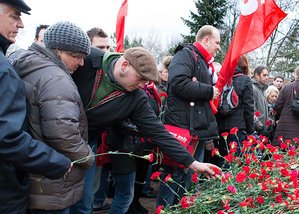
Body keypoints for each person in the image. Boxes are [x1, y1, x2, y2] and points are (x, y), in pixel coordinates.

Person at [71, 46, 219, 214]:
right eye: (141, 78)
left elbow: (158, 132)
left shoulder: (136, 97)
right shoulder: (89, 60)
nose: (143, 85)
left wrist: (193, 163)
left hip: (87, 141)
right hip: (54, 135)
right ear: (125, 65)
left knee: (82, 201)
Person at [11, 21, 94, 214]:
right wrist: (88, 157)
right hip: (50, 182)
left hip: (30, 175)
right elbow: (62, 133)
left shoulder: (29, 65)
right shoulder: (56, 79)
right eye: (77, 56)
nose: (81, 63)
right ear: (59, 52)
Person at [0, 1, 72, 213]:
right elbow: (6, 137)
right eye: (14, 16)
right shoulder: (3, 70)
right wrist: (56, 162)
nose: (21, 24)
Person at [157, 25, 221, 207]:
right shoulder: (185, 55)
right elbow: (177, 83)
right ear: (206, 40)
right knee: (174, 178)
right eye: (216, 43)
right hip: (184, 129)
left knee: (188, 180)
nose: (218, 47)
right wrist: (210, 91)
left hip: (196, 130)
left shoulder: (202, 61)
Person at [86, 27, 113, 213]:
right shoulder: (77, 73)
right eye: (99, 47)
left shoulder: (112, 75)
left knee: (91, 190)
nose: (104, 53)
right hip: (75, 141)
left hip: (98, 140)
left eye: (108, 47)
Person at [215, 54, 255, 166]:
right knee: (234, 162)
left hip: (221, 127)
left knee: (222, 159)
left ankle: (218, 182)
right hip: (238, 127)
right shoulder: (245, 79)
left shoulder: (222, 78)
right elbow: (249, 108)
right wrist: (251, 130)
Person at [251, 66, 270, 135]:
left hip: (263, 127)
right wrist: (259, 127)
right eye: (264, 75)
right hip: (257, 130)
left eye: (267, 75)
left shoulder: (262, 89)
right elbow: (252, 109)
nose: (266, 78)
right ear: (256, 75)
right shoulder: (253, 88)